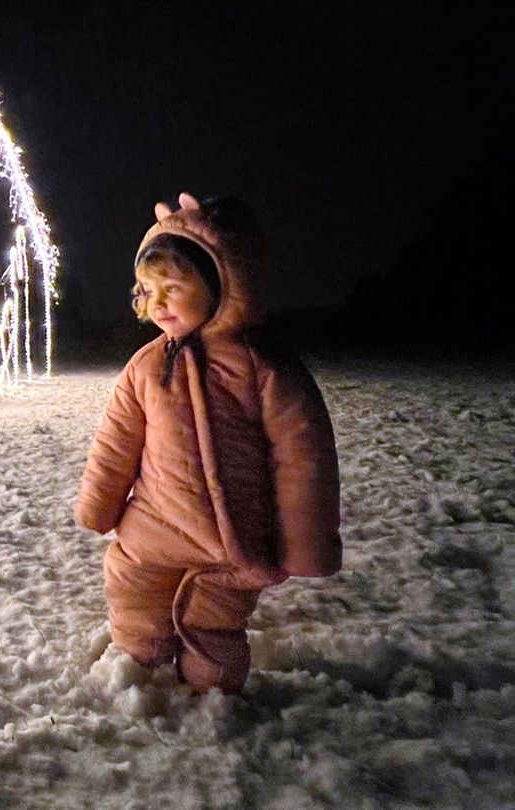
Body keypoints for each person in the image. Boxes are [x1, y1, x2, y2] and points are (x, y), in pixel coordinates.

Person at [75, 192, 342, 694]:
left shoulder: (262, 367)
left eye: (172, 288)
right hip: (151, 527)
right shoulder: (147, 366)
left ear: (222, 285)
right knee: (134, 596)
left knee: (213, 623)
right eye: (146, 291)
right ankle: (138, 669)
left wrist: (306, 544)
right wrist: (98, 505)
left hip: (232, 539)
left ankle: (212, 698)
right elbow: (116, 442)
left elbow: (303, 458)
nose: (156, 305)